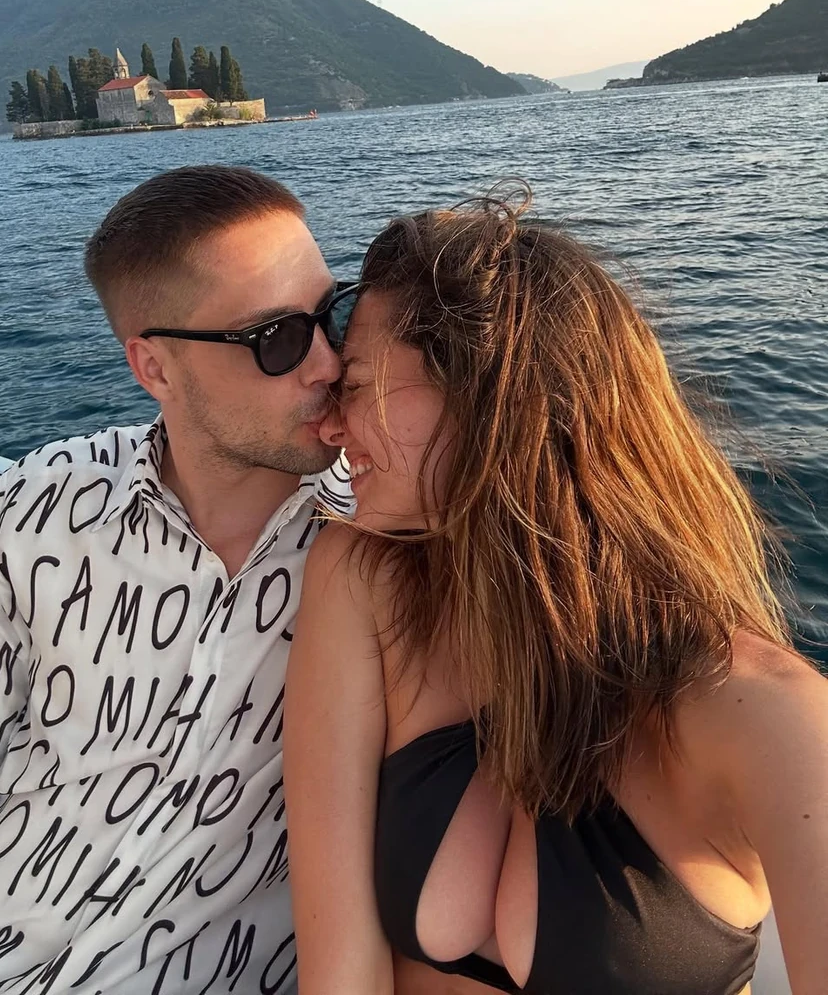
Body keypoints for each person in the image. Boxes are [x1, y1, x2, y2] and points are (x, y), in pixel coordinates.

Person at [285, 191, 828, 995]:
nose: (332, 427)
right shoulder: (364, 576)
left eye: (356, 383)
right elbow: (340, 969)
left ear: (484, 396)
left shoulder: (768, 715)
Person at [0, 165, 356, 994]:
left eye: (334, 314)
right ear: (155, 369)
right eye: (276, 338)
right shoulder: (45, 501)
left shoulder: (376, 541)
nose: (327, 362)